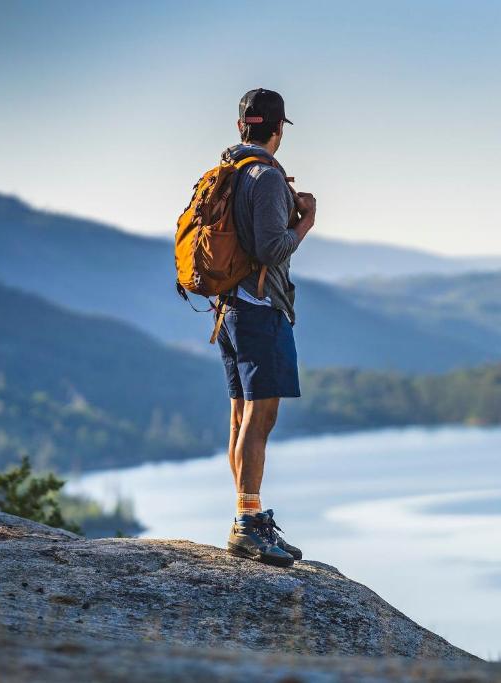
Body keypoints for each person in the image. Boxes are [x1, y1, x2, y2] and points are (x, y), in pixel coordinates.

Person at [218, 88, 316, 567]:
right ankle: (248, 526)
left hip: (228, 309)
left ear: (242, 127)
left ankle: (246, 517)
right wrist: (307, 220)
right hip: (260, 309)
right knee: (261, 419)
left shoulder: (229, 173)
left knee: (239, 418)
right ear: (278, 129)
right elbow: (272, 249)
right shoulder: (265, 177)